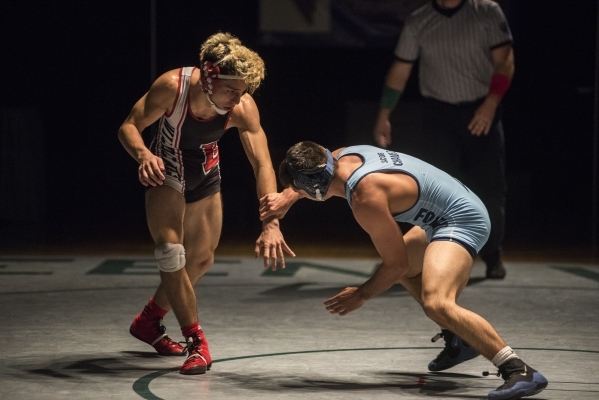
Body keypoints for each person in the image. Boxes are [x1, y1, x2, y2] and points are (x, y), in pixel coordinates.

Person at [260, 141, 548, 400]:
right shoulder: (342, 155)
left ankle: (518, 369)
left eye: (300, 190)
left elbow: (394, 264)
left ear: (314, 189)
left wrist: (362, 294)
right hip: (449, 208)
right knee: (411, 270)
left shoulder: (364, 198)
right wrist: (290, 196)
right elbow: (318, 174)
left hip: (462, 219)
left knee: (436, 302)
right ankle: (459, 339)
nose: (299, 194)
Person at [118, 32, 294, 375]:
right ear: (209, 76)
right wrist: (143, 155)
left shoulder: (242, 107)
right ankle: (196, 341)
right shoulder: (172, 86)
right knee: (171, 252)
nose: (237, 99)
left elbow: (263, 165)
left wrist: (270, 223)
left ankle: (148, 322)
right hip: (165, 171)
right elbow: (129, 126)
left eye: (242, 91)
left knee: (200, 259)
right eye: (231, 90)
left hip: (204, 175)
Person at [373, 0, 514, 281]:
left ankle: (492, 253)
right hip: (439, 114)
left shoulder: (485, 11)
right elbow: (401, 70)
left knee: (490, 186)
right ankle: (435, 252)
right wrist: (384, 114)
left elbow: (505, 61)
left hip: (480, 109)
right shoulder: (419, 20)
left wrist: (490, 104)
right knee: (434, 192)